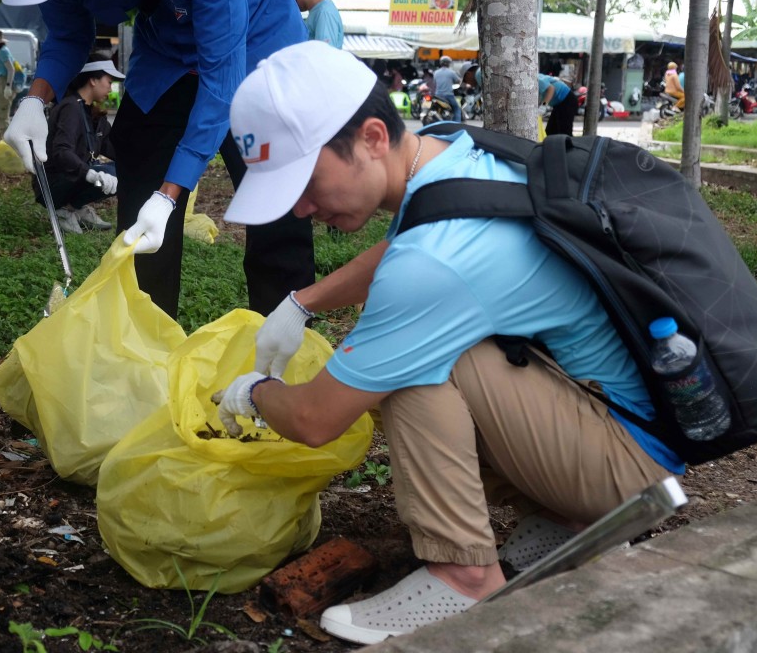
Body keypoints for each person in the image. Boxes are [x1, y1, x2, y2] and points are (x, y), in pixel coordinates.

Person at [212, 42, 680, 645]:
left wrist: (254, 392)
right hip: (622, 422)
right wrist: (304, 301)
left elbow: (315, 418)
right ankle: (565, 519)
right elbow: (413, 239)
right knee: (417, 342)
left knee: (408, 365)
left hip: (627, 464)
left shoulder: (432, 267)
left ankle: (462, 577)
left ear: (374, 137)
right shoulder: (450, 147)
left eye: (304, 179)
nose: (301, 207)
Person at [0, 0, 315, 318]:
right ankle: (146, 342)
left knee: (275, 192)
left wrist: (170, 194)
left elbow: (221, 84)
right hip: (169, 50)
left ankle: (284, 333)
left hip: (258, 47)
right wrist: (35, 99)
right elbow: (69, 36)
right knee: (139, 169)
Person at [35, 55, 121, 234]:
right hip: (54, 184)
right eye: (109, 81)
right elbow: (61, 152)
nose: (110, 88)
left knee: (121, 172)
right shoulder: (71, 108)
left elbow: (114, 150)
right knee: (110, 173)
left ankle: (76, 206)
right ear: (93, 80)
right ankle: (63, 210)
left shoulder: (94, 114)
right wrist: (89, 173)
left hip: (74, 178)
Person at [538, 71, 577, 135]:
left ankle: (567, 145)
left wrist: (543, 106)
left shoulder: (537, 79)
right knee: (550, 131)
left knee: (564, 132)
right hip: (558, 104)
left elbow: (551, 89)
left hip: (567, 100)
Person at [432, 55, 461, 122]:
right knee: (457, 108)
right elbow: (458, 81)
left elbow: (434, 83)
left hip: (438, 95)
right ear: (448, 63)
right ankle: (457, 124)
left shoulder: (436, 72)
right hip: (448, 95)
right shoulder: (451, 72)